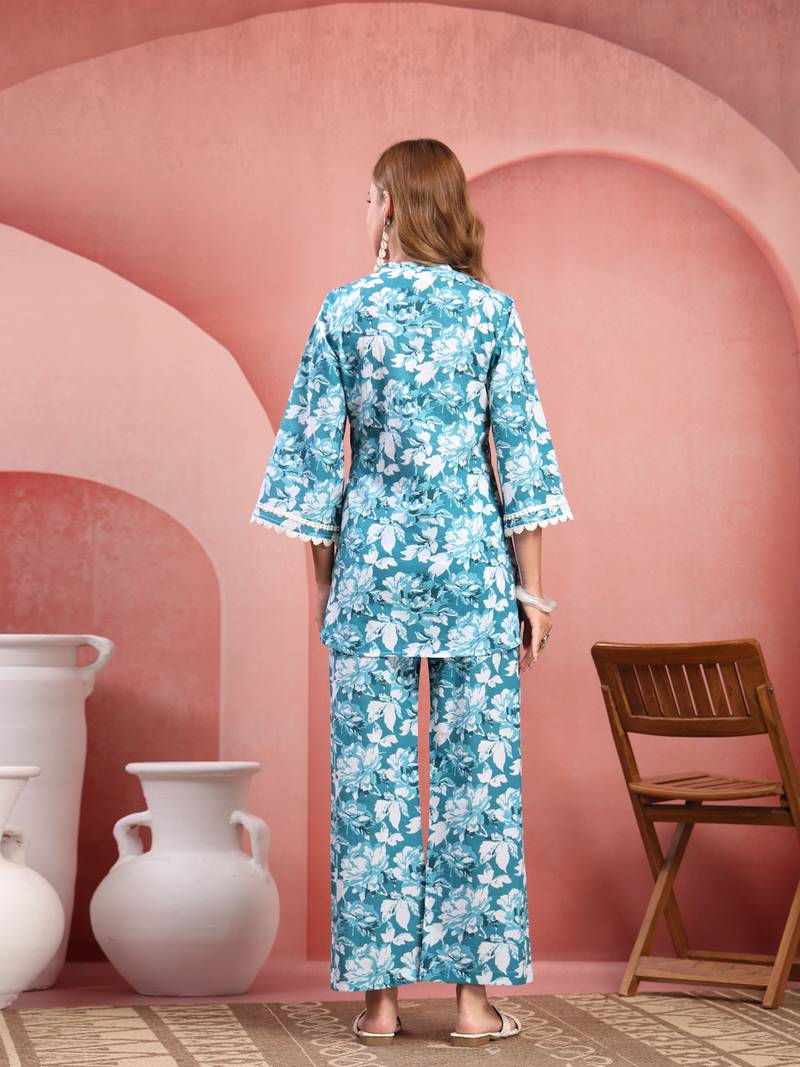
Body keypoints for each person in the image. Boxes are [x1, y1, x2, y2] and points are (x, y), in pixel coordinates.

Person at [250, 138, 574, 1048]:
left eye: (368, 198)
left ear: (389, 205)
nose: (365, 213)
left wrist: (325, 593)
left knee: (371, 789)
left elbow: (314, 472)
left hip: (372, 582)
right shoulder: (492, 313)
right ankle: (472, 1006)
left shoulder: (345, 311)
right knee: (480, 787)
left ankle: (380, 1005)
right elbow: (522, 461)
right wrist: (534, 595)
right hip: (474, 578)